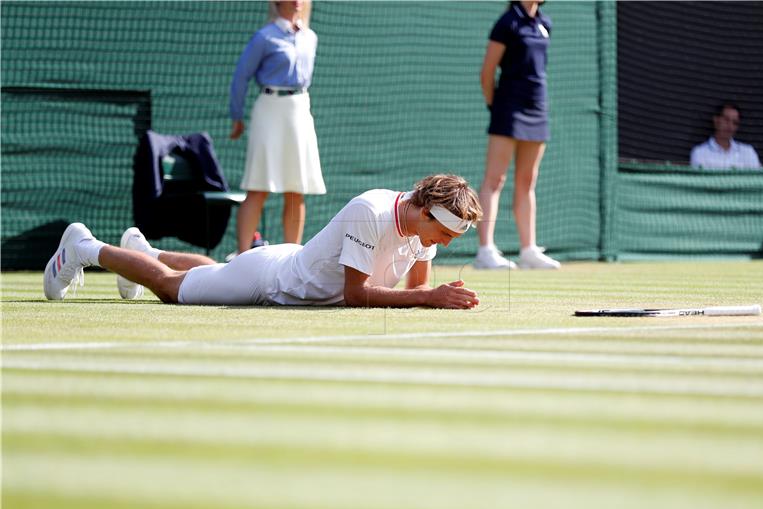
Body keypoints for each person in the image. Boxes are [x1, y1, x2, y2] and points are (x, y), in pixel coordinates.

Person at [44, 174, 482, 309]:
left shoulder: (422, 226)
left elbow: (416, 291)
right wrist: (429, 300)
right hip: (270, 280)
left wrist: (431, 297)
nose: (439, 245)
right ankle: (84, 247)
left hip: (287, 260)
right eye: (442, 234)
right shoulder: (369, 211)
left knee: (211, 270)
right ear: (425, 212)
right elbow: (356, 295)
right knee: (170, 288)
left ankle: (144, 251)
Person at [229, 0, 325, 255]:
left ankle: (293, 257)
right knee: (258, 187)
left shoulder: (310, 37)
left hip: (300, 111)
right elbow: (241, 75)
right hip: (269, 110)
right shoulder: (264, 36)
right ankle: (242, 255)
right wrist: (236, 116)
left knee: (296, 188)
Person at [473, 0, 560, 271]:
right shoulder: (507, 23)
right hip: (508, 108)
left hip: (538, 106)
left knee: (527, 179)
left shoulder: (545, 23)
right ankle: (485, 251)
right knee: (495, 179)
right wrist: (494, 106)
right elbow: (487, 72)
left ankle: (528, 250)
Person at [690, 103, 762, 170]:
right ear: (716, 120)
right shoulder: (700, 153)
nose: (730, 126)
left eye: (735, 123)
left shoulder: (748, 152)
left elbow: (758, 180)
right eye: (726, 120)